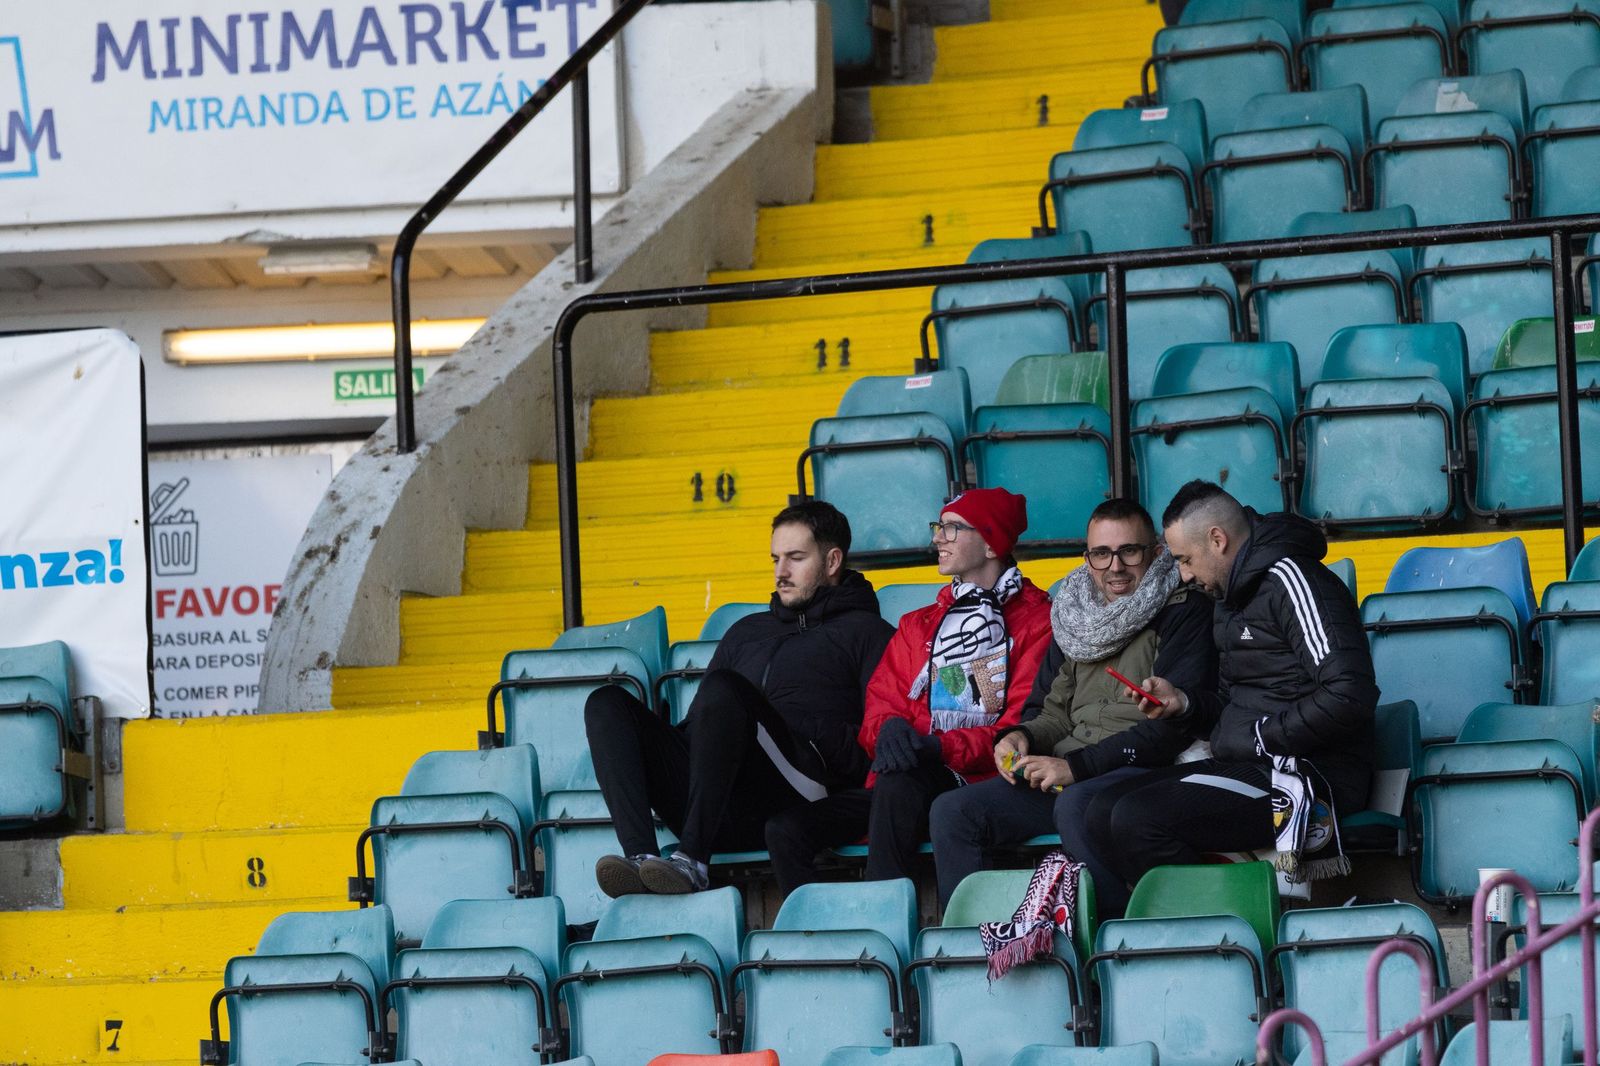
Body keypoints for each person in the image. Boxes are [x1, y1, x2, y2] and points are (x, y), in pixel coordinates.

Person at [1082, 480, 1378, 897]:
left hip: (1308, 773)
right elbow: (1229, 703)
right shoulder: (1226, 593)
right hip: (1247, 760)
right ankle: (1194, 923)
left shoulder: (1293, 579)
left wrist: (1262, 737)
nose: (1184, 574)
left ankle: (1229, 927)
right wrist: (1183, 703)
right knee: (1099, 810)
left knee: (1137, 817)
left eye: (1186, 559)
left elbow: (1349, 694)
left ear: (1217, 540)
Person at [586, 500, 894, 896]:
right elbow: (701, 723)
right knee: (607, 703)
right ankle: (642, 860)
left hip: (797, 792)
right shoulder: (746, 631)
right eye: (776, 559)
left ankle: (693, 862)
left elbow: (877, 738)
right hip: (716, 803)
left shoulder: (869, 633)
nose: (781, 572)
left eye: (796, 558)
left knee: (726, 690)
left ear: (832, 561)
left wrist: (804, 732)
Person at [928, 498, 1217, 911]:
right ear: (1088, 558)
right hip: (1071, 773)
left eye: (1129, 552)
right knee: (953, 811)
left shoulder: (1184, 609)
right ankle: (976, 950)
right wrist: (1020, 738)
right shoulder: (1072, 613)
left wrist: (1075, 768)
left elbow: (1171, 729)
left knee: (1076, 804)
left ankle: (1110, 946)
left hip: (1142, 770)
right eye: (1101, 553)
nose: (1114, 567)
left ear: (1156, 553)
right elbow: (1050, 713)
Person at [764, 487, 1054, 892]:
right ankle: (821, 946)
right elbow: (881, 705)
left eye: (952, 529)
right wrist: (889, 732)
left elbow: (1020, 725)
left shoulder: (1038, 622)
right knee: (785, 830)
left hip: (974, 780)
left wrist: (935, 748)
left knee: (901, 781)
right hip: (898, 784)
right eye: (939, 527)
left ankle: (885, 925)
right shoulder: (918, 624)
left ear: (991, 543)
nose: (937, 538)